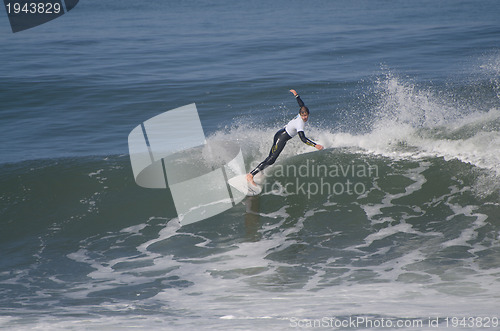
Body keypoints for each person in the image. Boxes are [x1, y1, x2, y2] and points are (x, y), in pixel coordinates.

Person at [246, 89, 324, 186]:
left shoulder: (302, 112)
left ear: (308, 114)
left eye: (306, 115)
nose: (305, 118)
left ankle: (259, 171)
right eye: (303, 116)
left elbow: (301, 104)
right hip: (281, 137)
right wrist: (315, 145)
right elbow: (303, 139)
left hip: (281, 134)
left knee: (270, 158)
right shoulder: (300, 123)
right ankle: (250, 175)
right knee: (271, 159)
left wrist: (296, 95)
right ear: (300, 114)